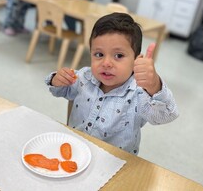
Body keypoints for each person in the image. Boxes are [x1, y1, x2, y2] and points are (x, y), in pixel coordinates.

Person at [45, 12, 179, 155]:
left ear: (136, 59)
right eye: (99, 54)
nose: (106, 63)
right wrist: (57, 79)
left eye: (119, 56)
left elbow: (166, 115)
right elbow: (59, 90)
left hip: (116, 162)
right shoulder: (84, 77)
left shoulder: (140, 92)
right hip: (76, 150)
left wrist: (154, 85)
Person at [3, 0, 93, 36]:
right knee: (15, 6)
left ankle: (19, 26)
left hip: (75, 5)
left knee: (23, 8)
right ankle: (9, 25)